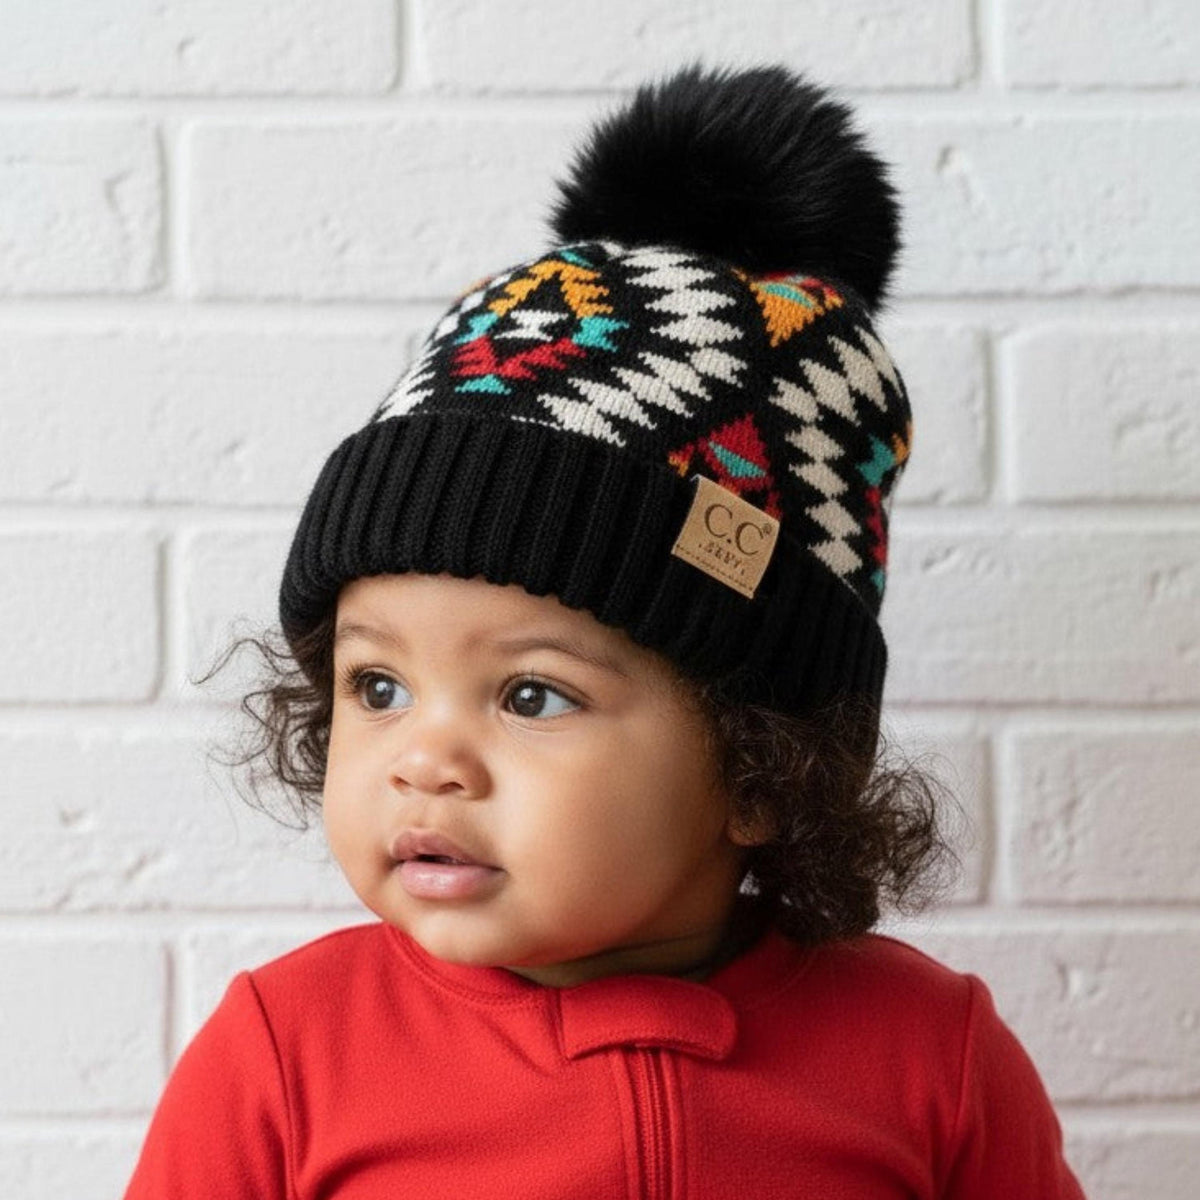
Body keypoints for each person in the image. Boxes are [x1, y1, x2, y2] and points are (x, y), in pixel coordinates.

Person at [122, 62, 1088, 1198]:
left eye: (532, 694)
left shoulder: (932, 1058)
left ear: (760, 764)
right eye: (377, 686)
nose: (422, 760)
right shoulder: (285, 1058)